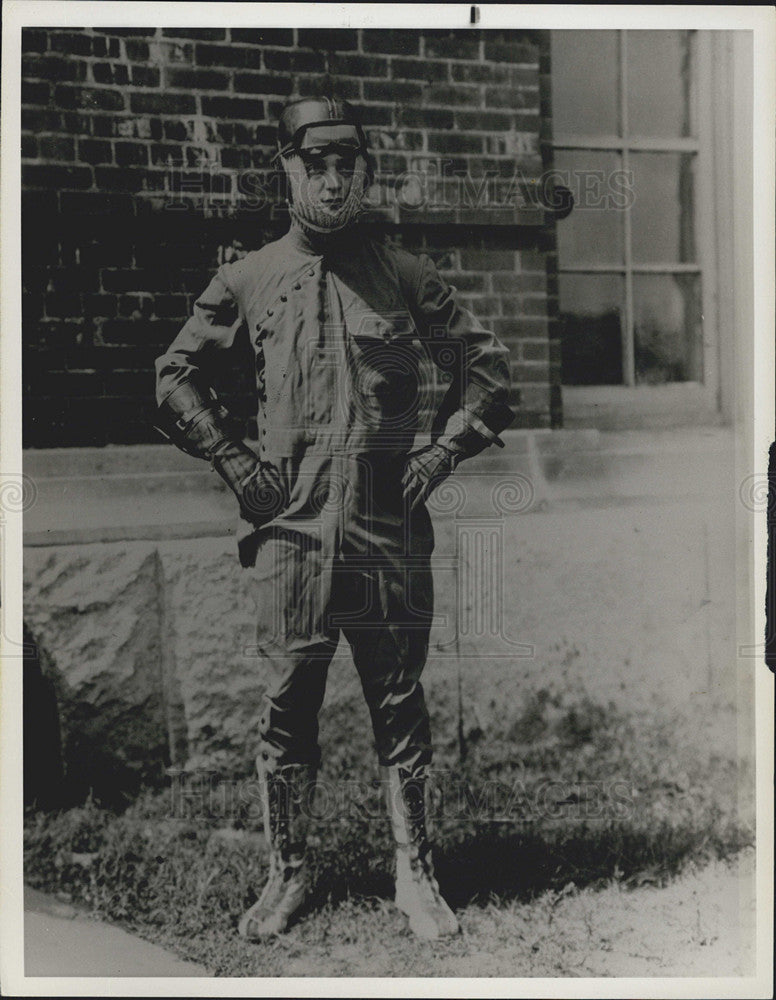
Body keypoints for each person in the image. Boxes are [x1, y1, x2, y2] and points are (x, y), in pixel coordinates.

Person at [155, 96, 515, 941]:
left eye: (347, 161)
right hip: (289, 536)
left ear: (365, 170)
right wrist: (234, 458)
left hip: (383, 533)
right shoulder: (249, 279)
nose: (331, 176)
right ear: (286, 166)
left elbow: (490, 374)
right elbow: (174, 373)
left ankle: (415, 874)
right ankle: (287, 875)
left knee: (398, 700)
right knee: (287, 706)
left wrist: (436, 456)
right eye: (314, 161)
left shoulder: (405, 277)